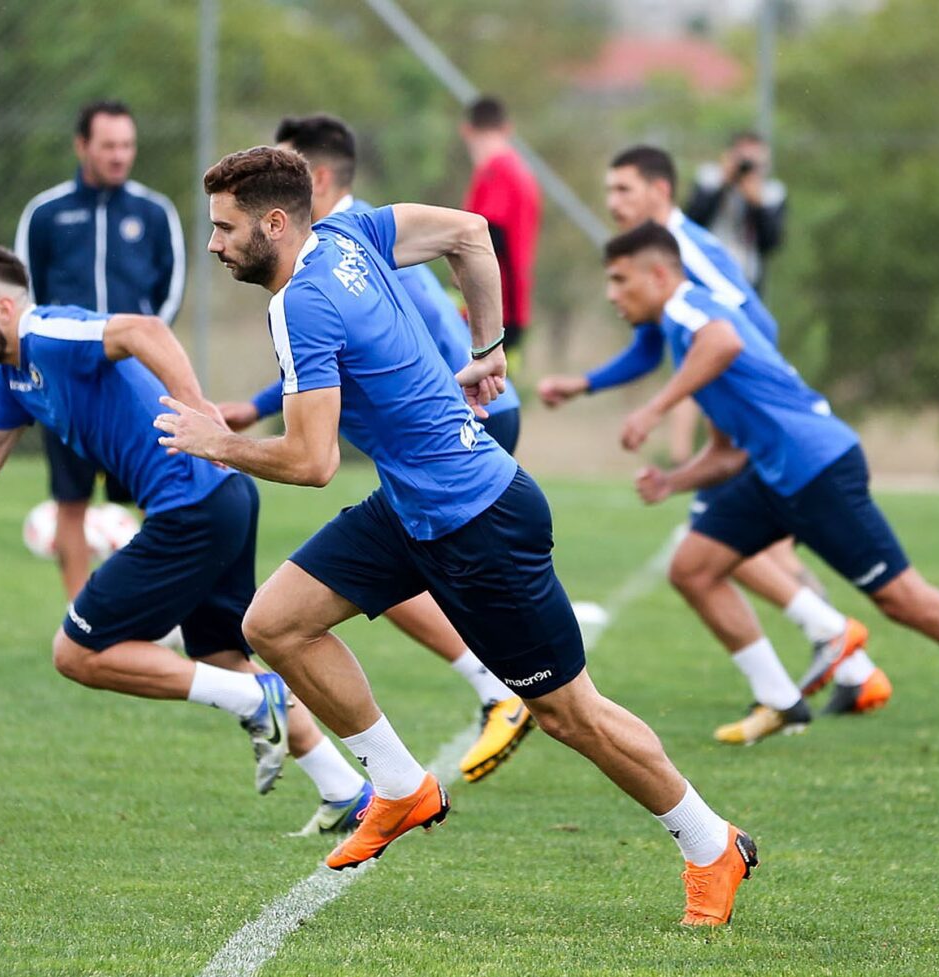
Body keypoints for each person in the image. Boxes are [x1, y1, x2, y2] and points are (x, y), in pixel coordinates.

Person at [156, 146, 756, 927]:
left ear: (274, 222)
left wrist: (219, 443)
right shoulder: (348, 234)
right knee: (274, 622)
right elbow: (470, 233)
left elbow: (311, 461)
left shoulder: (299, 303)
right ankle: (400, 787)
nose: (214, 245)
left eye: (224, 228)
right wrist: (486, 348)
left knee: (569, 713)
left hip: (480, 522)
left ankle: (711, 843)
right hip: (415, 507)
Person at [0, 245, 373, 836]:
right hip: (220, 498)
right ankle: (343, 789)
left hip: (192, 506)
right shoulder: (13, 376)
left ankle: (256, 699)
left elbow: (144, 330)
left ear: (6, 309)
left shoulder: (48, 334)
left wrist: (198, 411)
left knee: (77, 653)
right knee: (219, 657)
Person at [601, 220, 939, 754]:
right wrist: (673, 481)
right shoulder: (680, 332)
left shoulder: (690, 309)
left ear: (658, 275)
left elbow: (724, 342)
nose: (612, 294)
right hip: (774, 475)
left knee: (903, 599)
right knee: (693, 569)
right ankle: (778, 699)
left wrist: (654, 409)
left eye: (620, 280)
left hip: (818, 467)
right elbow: (729, 450)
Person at [217, 114, 532, 783]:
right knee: (369, 570)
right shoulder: (341, 244)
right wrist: (258, 405)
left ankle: (499, 688)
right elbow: (343, 354)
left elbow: (382, 346)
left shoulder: (348, 242)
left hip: (467, 416)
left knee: (377, 571)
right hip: (458, 414)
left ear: (313, 179)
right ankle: (491, 692)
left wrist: (481, 356)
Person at [539, 145, 890, 725]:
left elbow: (749, 328)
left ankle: (829, 654)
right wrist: (585, 384)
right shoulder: (656, 257)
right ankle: (845, 669)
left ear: (660, 190)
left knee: (715, 547)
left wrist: (730, 400)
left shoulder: (691, 250)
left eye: (624, 189)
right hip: (743, 415)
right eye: (608, 191)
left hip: (765, 419)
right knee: (727, 548)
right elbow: (652, 345)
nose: (613, 202)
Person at [15, 99, 186, 600]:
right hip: (67, 385)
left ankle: (155, 608)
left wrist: (140, 350)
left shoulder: (154, 213)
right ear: (82, 146)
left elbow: (170, 292)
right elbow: (28, 294)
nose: (119, 155)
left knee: (156, 499)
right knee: (71, 501)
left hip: (135, 381)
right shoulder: (46, 213)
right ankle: (78, 613)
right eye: (109, 145)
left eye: (127, 145)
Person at [459, 96, 540, 366]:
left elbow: (486, 236)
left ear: (466, 131)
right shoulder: (519, 170)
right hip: (510, 307)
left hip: (494, 310)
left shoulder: (497, 170)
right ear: (507, 128)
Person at [683, 131, 786, 296]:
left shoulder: (771, 193)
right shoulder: (711, 180)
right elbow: (692, 221)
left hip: (748, 279)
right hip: (706, 271)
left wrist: (757, 205)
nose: (746, 166)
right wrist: (723, 182)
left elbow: (771, 243)